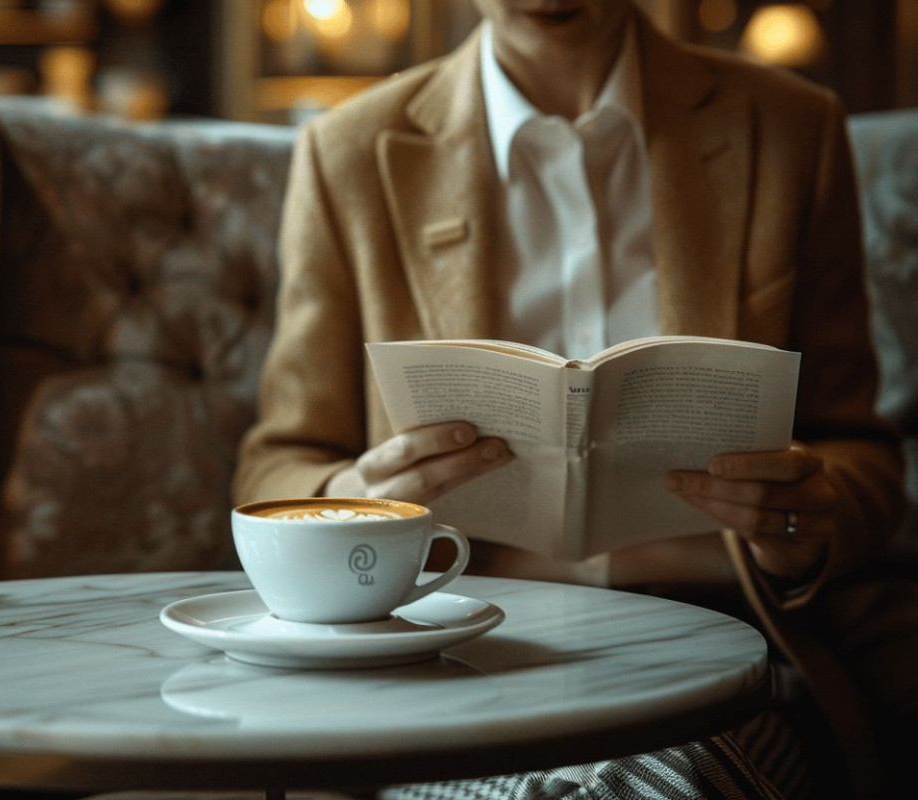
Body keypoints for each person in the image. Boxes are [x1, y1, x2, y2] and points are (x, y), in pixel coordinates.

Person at [234, 0, 909, 796]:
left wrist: (799, 522)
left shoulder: (790, 128)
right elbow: (278, 463)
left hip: (726, 647)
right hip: (449, 659)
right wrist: (356, 501)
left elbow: (861, 454)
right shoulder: (347, 153)